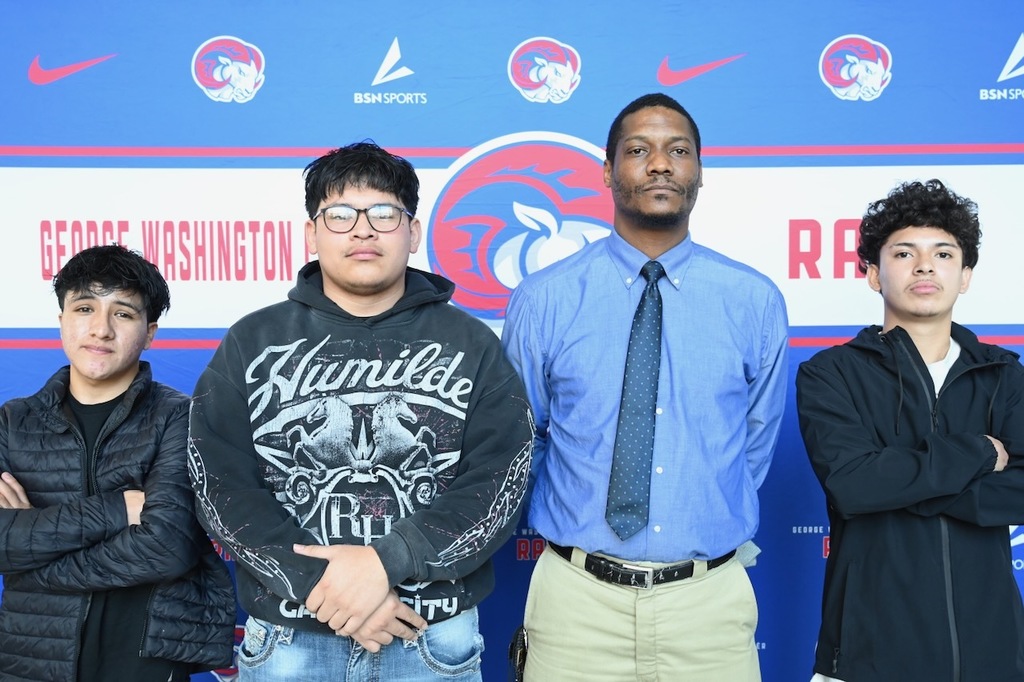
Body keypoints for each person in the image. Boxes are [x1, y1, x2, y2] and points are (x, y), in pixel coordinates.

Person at [187, 141, 534, 681]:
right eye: (341, 214)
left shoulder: (471, 343)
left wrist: (385, 563)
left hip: (428, 633)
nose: (363, 230)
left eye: (384, 213)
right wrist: (318, 587)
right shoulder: (253, 341)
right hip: (290, 635)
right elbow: (220, 484)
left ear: (412, 232)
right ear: (312, 233)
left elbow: (499, 481)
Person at [502, 92, 789, 680]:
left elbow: (751, 445)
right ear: (608, 172)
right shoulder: (545, 299)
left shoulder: (753, 301)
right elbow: (516, 442)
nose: (660, 164)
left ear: (699, 172)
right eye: (639, 150)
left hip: (709, 605)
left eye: (678, 150)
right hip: (575, 603)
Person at [797, 179, 1024, 681]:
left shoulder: (1004, 375)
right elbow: (854, 484)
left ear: (965, 276)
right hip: (865, 655)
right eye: (904, 252)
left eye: (943, 253)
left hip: (993, 655)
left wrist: (902, 486)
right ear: (875, 275)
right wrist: (979, 456)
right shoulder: (830, 373)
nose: (924, 265)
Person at [0, 244, 236, 682]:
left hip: (143, 657)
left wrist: (34, 559)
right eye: (85, 308)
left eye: (123, 313)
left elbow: (166, 546)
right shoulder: (12, 422)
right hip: (31, 656)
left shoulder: (181, 417)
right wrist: (116, 510)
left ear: (150, 333)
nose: (101, 329)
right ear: (61, 322)